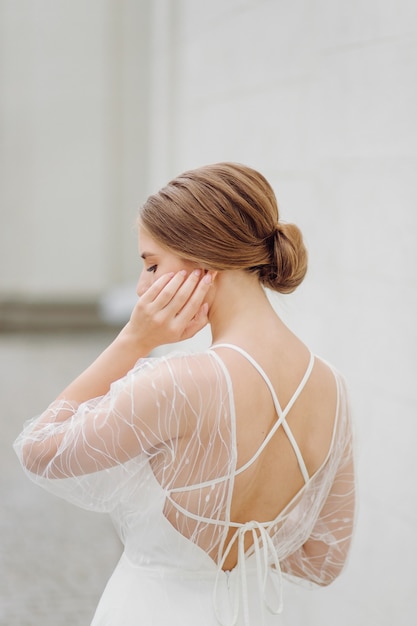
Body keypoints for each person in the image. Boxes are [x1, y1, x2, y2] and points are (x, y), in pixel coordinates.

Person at [14, 163, 355, 626]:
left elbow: (38, 450)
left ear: (203, 258)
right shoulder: (330, 385)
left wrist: (132, 343)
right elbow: (323, 559)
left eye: (152, 264)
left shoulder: (176, 382)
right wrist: (239, 546)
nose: (142, 287)